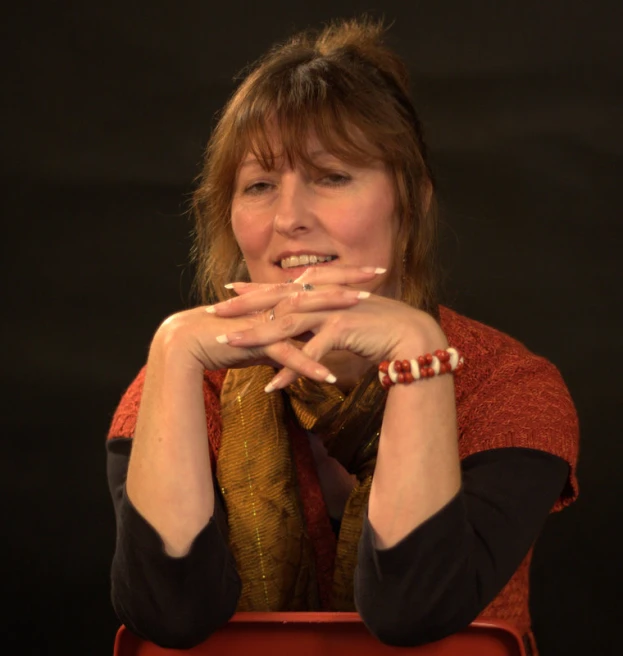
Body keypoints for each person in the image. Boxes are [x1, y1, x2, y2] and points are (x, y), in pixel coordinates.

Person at [106, 17, 579, 655]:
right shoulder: (176, 384)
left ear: (408, 205)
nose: (289, 219)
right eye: (260, 186)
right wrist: (172, 349)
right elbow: (168, 617)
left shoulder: (510, 388)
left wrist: (418, 353)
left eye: (332, 176)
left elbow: (413, 611)